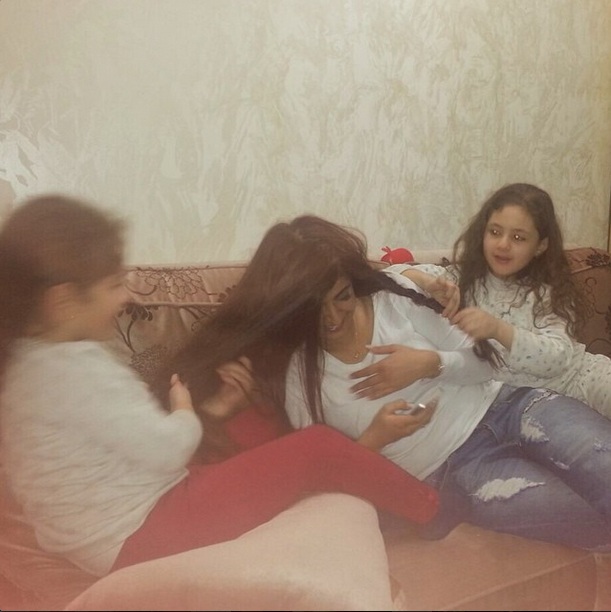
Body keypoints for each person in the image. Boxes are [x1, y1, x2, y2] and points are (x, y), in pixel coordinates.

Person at [0, 195, 441, 578]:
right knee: (318, 447)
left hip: (100, 539)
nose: (125, 297)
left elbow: (115, 450)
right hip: (143, 531)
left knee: (253, 445)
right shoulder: (81, 370)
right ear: (63, 300)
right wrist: (185, 411)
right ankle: (433, 509)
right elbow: (167, 451)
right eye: (114, 284)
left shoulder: (25, 369)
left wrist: (215, 410)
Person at [171, 213, 611, 552]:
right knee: (586, 519)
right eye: (313, 308)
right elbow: (323, 472)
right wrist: (376, 436)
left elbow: (486, 365)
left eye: (342, 295)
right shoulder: (294, 375)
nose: (334, 317)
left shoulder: (392, 295)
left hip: (509, 406)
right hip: (454, 468)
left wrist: (429, 364)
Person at [391, 182, 611, 420]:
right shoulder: (460, 280)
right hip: (529, 406)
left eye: (518, 237)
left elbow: (558, 359)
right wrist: (426, 282)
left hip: (581, 378)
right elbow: (388, 274)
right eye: (495, 232)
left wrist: (498, 330)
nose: (503, 244)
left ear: (540, 246)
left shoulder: (549, 291)